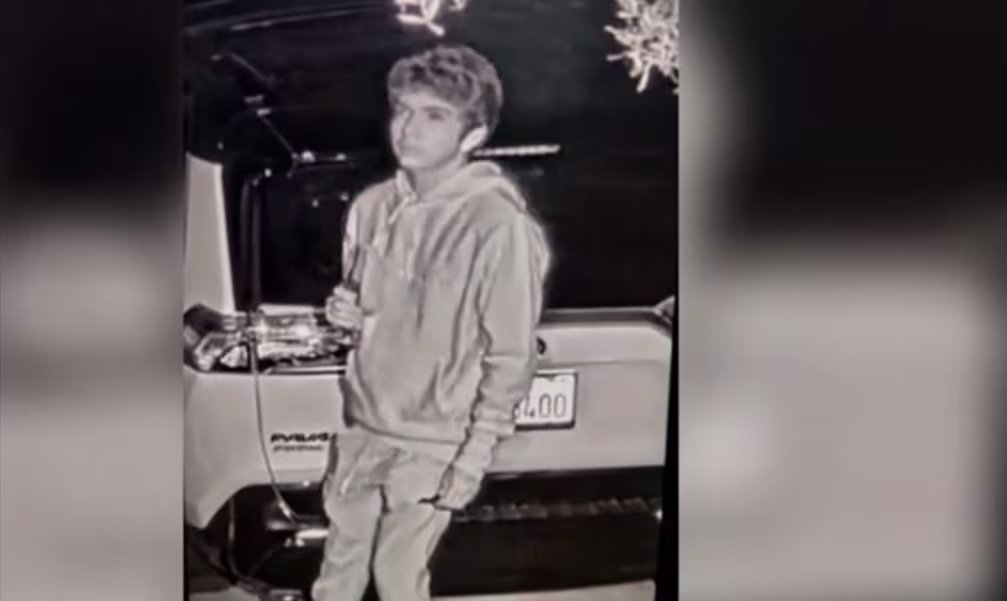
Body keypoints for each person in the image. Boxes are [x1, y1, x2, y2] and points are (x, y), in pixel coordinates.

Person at [314, 44, 551, 601]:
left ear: (473, 135)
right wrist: (345, 316)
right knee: (336, 577)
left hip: (435, 442)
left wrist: (473, 459)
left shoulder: (497, 224)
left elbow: (512, 355)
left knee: (397, 580)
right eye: (403, 110)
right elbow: (361, 309)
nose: (409, 128)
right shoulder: (372, 207)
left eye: (434, 115)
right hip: (365, 426)